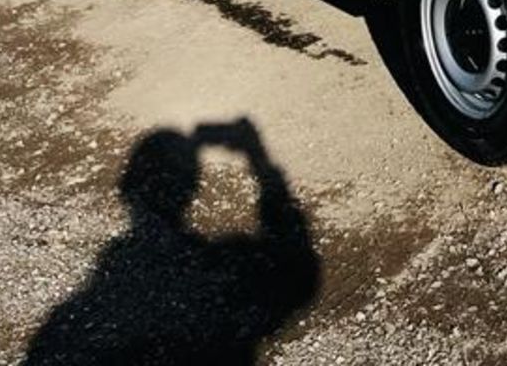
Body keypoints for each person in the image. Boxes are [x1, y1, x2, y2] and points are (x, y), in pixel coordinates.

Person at [23, 118, 319, 365]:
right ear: (192, 188)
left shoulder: (85, 302)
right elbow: (298, 274)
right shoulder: (220, 267)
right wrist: (258, 157)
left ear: (128, 190)